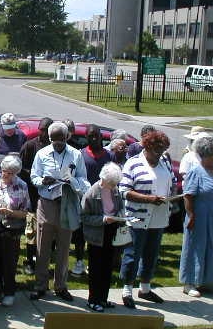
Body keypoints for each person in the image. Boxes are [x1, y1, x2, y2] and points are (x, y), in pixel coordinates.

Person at [30, 122, 89, 302]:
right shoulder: (41, 154)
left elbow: (84, 181)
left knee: (64, 248)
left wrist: (72, 182)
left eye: (61, 141)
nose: (58, 144)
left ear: (67, 137)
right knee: (43, 247)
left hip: (67, 202)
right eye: (54, 141)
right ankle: (40, 285)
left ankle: (60, 286)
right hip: (47, 203)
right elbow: (34, 176)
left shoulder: (76, 154)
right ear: (50, 139)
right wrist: (42, 181)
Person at [119, 130, 175, 308]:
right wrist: (149, 199)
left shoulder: (164, 162)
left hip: (158, 216)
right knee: (133, 253)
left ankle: (145, 288)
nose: (159, 154)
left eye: (163, 150)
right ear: (147, 146)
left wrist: (171, 196)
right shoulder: (133, 163)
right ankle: (127, 289)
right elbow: (124, 191)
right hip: (138, 216)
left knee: (151, 253)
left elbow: (172, 182)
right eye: (156, 150)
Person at [180, 136, 213, 297]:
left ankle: (208, 281)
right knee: (196, 248)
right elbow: (188, 195)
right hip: (199, 216)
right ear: (205, 155)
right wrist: (191, 215)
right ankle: (189, 283)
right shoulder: (196, 172)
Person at [0, 155, 30, 307]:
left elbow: (25, 212)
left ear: (16, 173)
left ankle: (9, 292)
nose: (6, 175)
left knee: (9, 262)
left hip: (12, 229)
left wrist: (9, 212)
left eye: (10, 173)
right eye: (4, 171)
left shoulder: (21, 186)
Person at [81, 162, 126, 312]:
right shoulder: (92, 193)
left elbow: (120, 207)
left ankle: (103, 299)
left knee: (108, 267)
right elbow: (84, 217)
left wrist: (119, 216)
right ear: (104, 179)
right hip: (97, 235)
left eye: (115, 183)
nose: (114, 186)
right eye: (111, 183)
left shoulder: (115, 190)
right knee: (96, 269)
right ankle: (93, 300)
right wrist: (103, 219)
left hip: (111, 232)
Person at [74, 124, 112, 276]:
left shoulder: (109, 156)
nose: (94, 138)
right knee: (80, 233)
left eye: (97, 135)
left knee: (97, 232)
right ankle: (79, 261)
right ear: (86, 138)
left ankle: (93, 262)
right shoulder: (80, 155)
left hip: (103, 200)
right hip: (83, 199)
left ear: (102, 137)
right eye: (91, 136)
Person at [19, 117, 53, 275]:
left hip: (49, 196)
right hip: (32, 195)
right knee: (31, 231)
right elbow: (21, 168)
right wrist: (35, 177)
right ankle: (30, 260)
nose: (44, 133)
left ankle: (44, 260)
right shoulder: (30, 145)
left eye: (47, 130)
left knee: (48, 230)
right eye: (42, 129)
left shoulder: (54, 147)